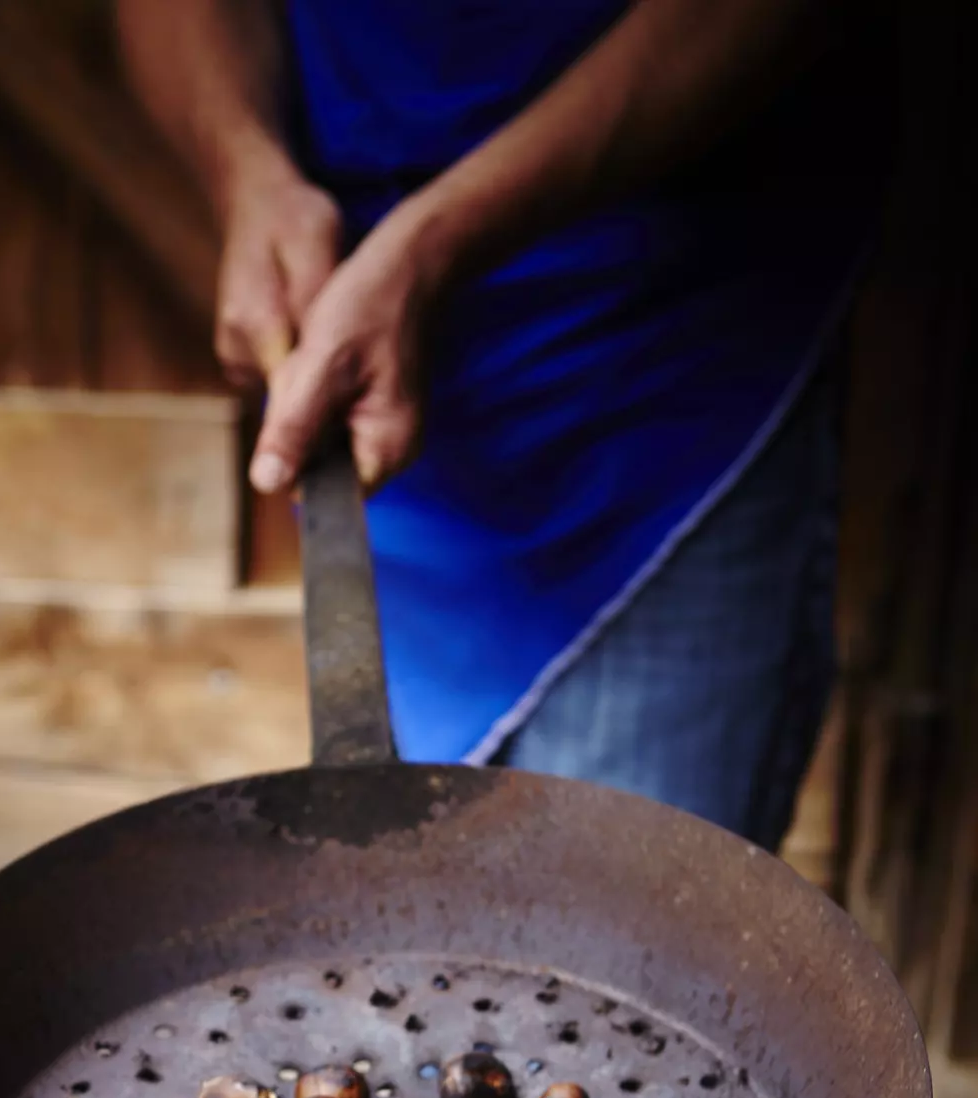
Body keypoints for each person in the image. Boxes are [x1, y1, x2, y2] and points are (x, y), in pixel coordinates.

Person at [118, 1, 890, 848]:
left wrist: (430, 247)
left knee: (630, 930)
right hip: (347, 304)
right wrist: (245, 170)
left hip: (670, 394)